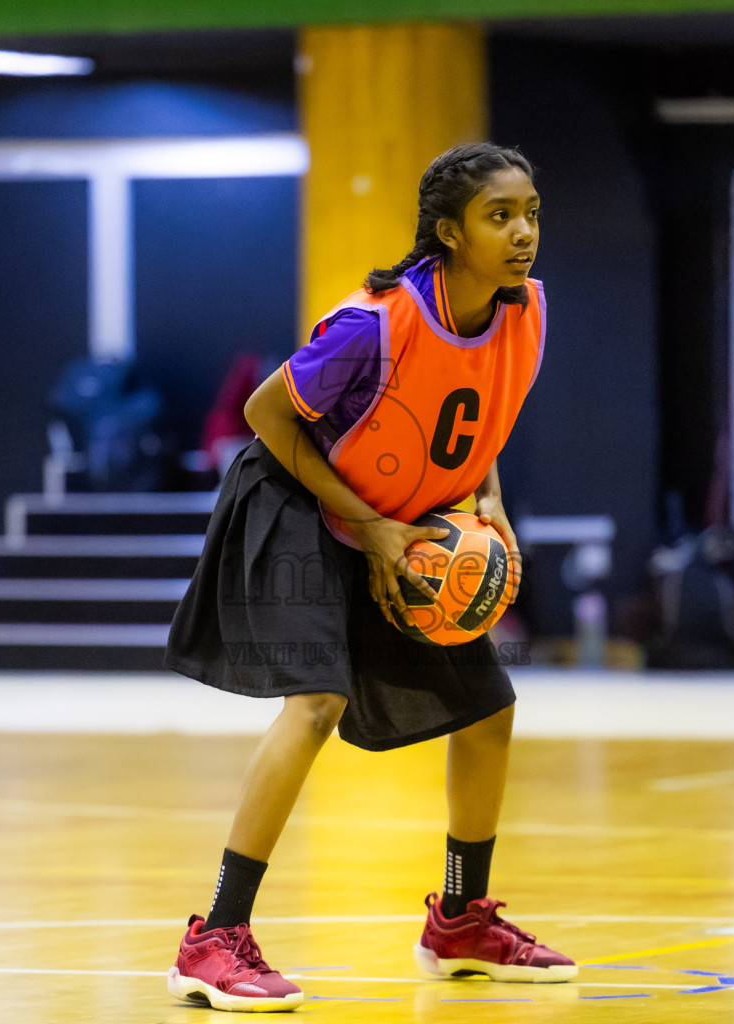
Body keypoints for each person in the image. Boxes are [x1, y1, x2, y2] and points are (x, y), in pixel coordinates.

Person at [161, 143, 574, 1012]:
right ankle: (215, 937)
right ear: (448, 232)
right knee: (315, 702)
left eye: (531, 212)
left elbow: (483, 421)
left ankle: (460, 918)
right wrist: (372, 527)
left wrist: (488, 505)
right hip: (296, 499)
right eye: (501, 216)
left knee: (490, 708)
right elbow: (266, 413)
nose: (524, 232)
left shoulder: (525, 310)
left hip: (405, 518)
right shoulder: (376, 323)